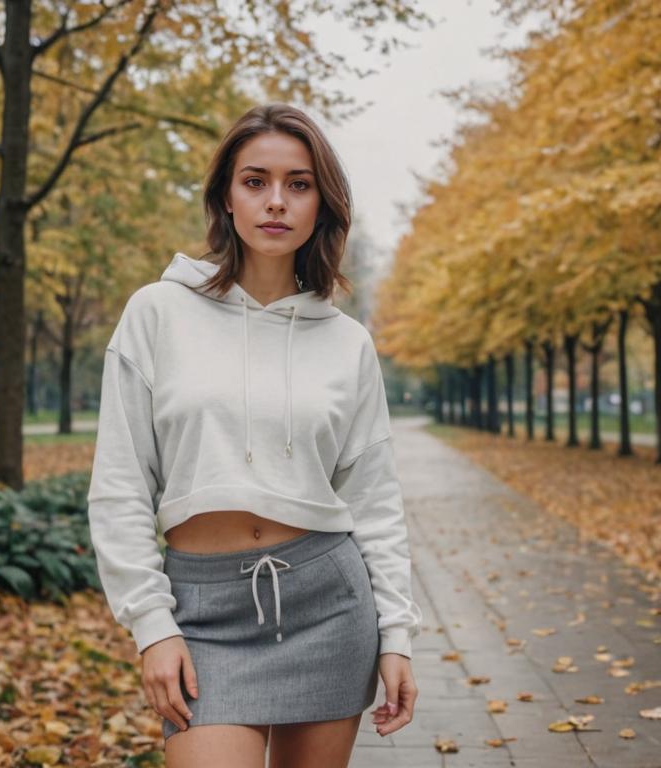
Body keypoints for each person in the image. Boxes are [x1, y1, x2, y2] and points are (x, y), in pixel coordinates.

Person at [87, 102, 422, 768]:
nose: (276, 202)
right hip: (203, 612)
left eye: (298, 184)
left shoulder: (347, 343)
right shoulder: (157, 312)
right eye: (255, 181)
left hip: (328, 606)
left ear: (322, 204)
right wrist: (153, 628)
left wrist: (398, 637)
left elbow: (376, 502)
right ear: (225, 198)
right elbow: (120, 487)